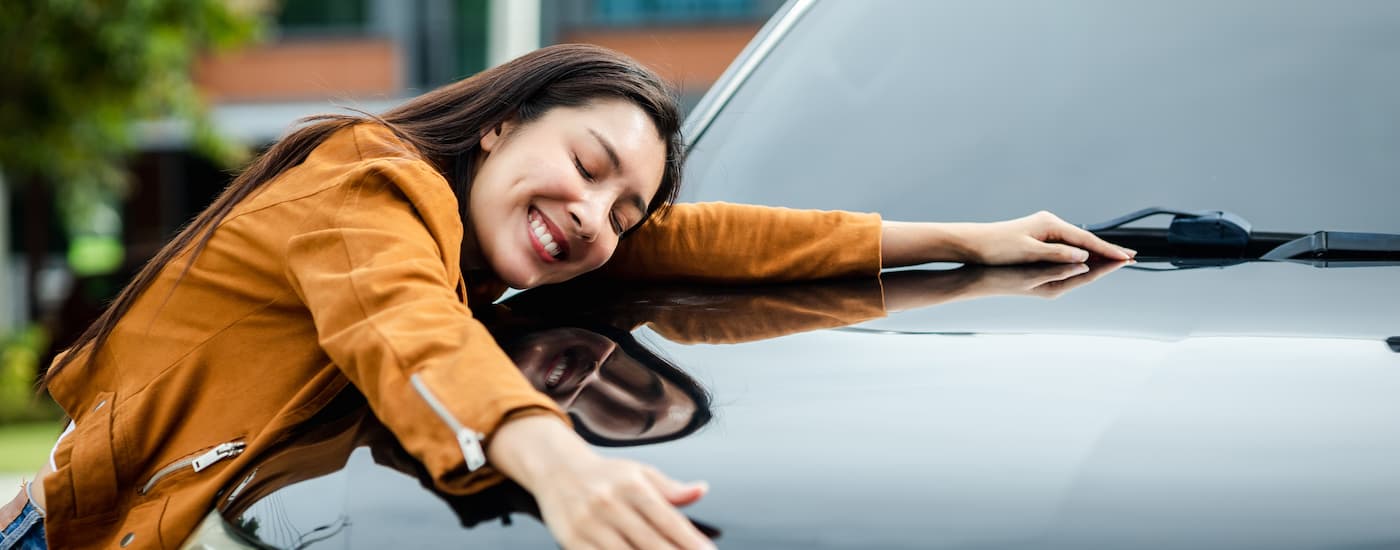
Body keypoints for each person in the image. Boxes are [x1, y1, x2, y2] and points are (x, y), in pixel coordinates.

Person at [1, 44, 1133, 550]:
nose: (598, 217)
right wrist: (558, 461)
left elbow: (713, 239)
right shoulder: (362, 177)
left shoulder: (503, 245)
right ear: (499, 122)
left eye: (622, 209)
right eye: (589, 165)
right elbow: (404, 326)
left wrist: (965, 238)